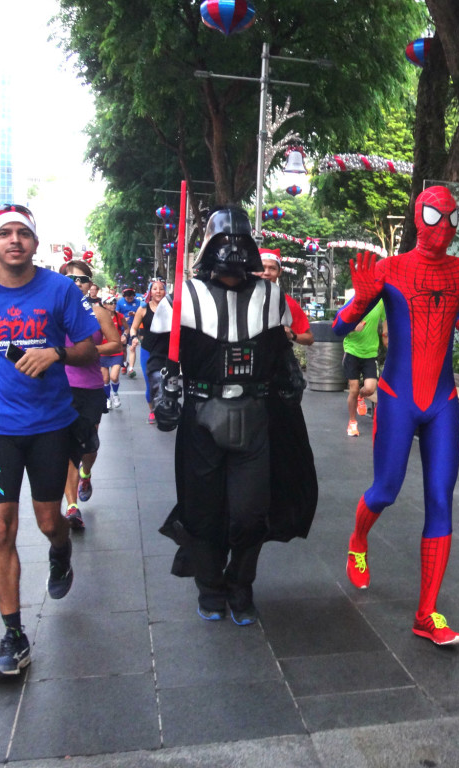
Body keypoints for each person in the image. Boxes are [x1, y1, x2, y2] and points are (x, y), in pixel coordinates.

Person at [333, 186, 459, 647]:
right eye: (432, 216)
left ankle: (427, 613)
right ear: (418, 219)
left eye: (449, 218)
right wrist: (361, 302)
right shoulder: (390, 270)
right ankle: (358, 540)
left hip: (442, 400)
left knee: (441, 498)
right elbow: (340, 327)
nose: (442, 227)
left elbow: (458, 309)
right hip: (399, 396)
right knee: (386, 489)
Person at [0, 203, 100, 678]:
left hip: (51, 424)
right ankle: (13, 636)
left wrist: (55, 351)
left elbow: (90, 344)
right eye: (4, 234)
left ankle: (60, 551)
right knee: (0, 527)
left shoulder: (58, 290)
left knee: (49, 520)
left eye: (23, 234)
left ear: (35, 243)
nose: (14, 240)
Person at [154, 206, 317, 625]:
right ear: (209, 247)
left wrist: (289, 378)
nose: (230, 250)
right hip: (200, 416)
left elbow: (280, 351)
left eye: (238, 242)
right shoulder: (183, 298)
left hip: (256, 416)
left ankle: (240, 584)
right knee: (203, 509)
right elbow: (159, 355)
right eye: (222, 242)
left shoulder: (271, 296)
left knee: (249, 511)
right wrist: (163, 389)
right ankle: (210, 587)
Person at [58, 258, 122, 529]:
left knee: (89, 445)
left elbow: (116, 342)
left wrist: (92, 352)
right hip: (60, 388)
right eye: (71, 279)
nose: (77, 284)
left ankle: (86, 473)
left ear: (89, 285)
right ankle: (71, 506)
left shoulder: (98, 313)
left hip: (91, 388)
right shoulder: (53, 311)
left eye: (82, 280)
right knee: (67, 448)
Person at [341, 299, 387, 436]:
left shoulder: (379, 302)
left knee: (370, 388)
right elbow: (339, 327)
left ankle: (361, 396)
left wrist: (386, 336)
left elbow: (385, 321)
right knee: (353, 389)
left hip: (370, 352)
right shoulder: (353, 302)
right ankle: (352, 422)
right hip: (352, 350)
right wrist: (353, 328)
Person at [129, 277, 170, 425]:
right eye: (155, 288)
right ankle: (152, 410)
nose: (158, 291)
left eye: (161, 288)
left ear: (165, 291)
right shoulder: (143, 309)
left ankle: (167, 409)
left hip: (167, 351)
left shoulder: (171, 308)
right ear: (150, 292)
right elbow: (134, 327)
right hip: (148, 350)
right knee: (151, 383)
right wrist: (134, 337)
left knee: (168, 383)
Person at [258, 248, 314, 346]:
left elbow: (309, 338)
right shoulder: (239, 297)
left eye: (272, 268)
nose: (266, 272)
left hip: (276, 359)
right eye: (262, 268)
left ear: (279, 272)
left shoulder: (286, 302)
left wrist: (292, 335)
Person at [99, 296, 125, 408]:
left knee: (114, 377)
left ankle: (115, 394)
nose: (113, 305)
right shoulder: (98, 317)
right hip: (103, 350)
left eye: (114, 302)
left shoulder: (119, 317)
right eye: (110, 303)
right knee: (105, 379)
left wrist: (125, 335)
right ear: (104, 305)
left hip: (116, 350)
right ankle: (107, 398)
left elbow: (127, 328)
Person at [116, 287, 141, 378]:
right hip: (123, 329)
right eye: (127, 298)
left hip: (134, 328)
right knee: (123, 349)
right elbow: (116, 313)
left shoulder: (138, 303)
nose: (129, 300)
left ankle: (131, 369)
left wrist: (135, 314)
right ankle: (124, 363)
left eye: (131, 298)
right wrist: (123, 319)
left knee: (132, 348)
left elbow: (141, 314)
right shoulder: (120, 302)